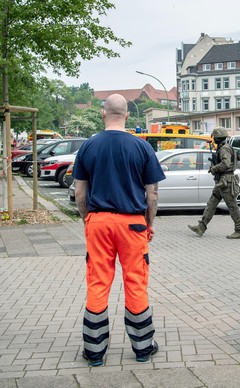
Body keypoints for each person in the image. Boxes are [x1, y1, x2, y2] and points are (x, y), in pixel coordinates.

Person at [73, 94, 166, 367]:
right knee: (135, 283)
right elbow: (152, 195)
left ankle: (94, 351)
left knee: (98, 282)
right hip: (132, 223)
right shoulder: (142, 147)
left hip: (99, 222)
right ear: (127, 115)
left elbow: (80, 191)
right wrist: (149, 223)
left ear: (104, 113)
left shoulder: (88, 146)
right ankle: (142, 347)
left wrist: (87, 219)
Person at [188, 127, 240, 239]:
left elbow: (226, 164)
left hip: (226, 182)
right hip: (222, 182)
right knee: (211, 204)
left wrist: (214, 169)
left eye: (214, 137)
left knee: (232, 206)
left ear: (217, 138)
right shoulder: (226, 147)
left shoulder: (224, 149)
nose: (213, 139)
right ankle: (201, 227)